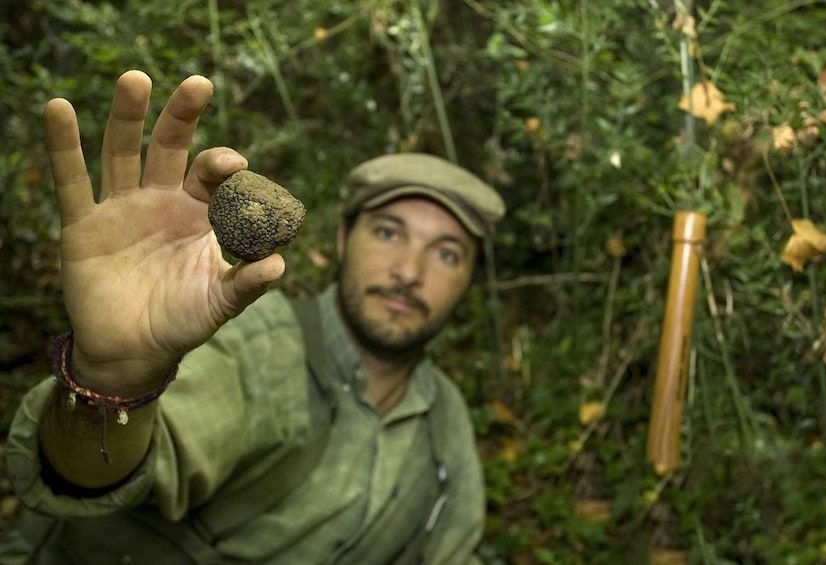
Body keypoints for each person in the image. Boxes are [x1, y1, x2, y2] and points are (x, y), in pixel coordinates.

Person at [0, 70, 505, 564]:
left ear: (470, 279)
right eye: (390, 233)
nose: (409, 272)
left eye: (446, 254)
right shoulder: (255, 342)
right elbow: (98, 474)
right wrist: (114, 380)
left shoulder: (446, 422)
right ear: (343, 239)